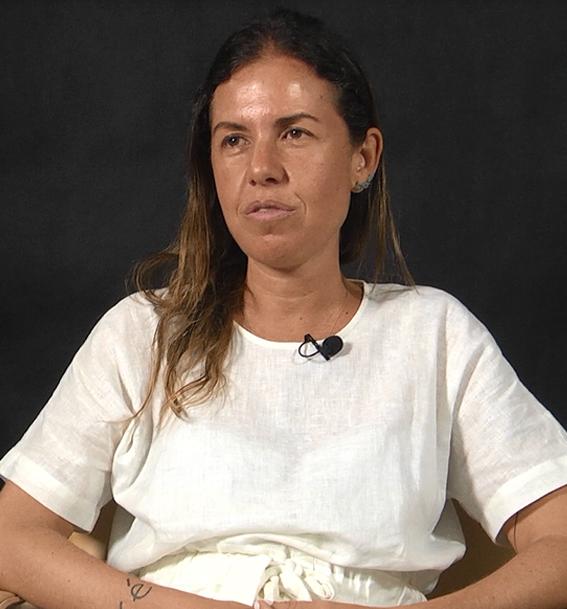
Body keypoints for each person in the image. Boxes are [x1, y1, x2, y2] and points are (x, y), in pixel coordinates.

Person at [1, 8, 567, 609]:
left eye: (294, 133)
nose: (261, 170)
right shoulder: (143, 332)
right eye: (234, 140)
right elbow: (12, 537)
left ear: (363, 157)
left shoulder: (434, 335)